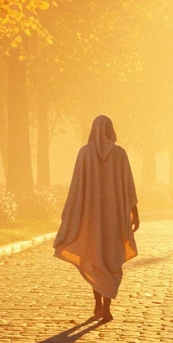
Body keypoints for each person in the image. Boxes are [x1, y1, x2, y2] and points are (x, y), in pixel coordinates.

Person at [53, 114, 139, 322]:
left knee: (94, 257)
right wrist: (135, 212)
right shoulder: (120, 154)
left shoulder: (84, 154)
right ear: (111, 130)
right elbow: (129, 188)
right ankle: (107, 306)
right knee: (111, 258)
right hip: (114, 218)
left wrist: (73, 215)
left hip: (91, 218)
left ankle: (98, 303)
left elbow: (76, 188)